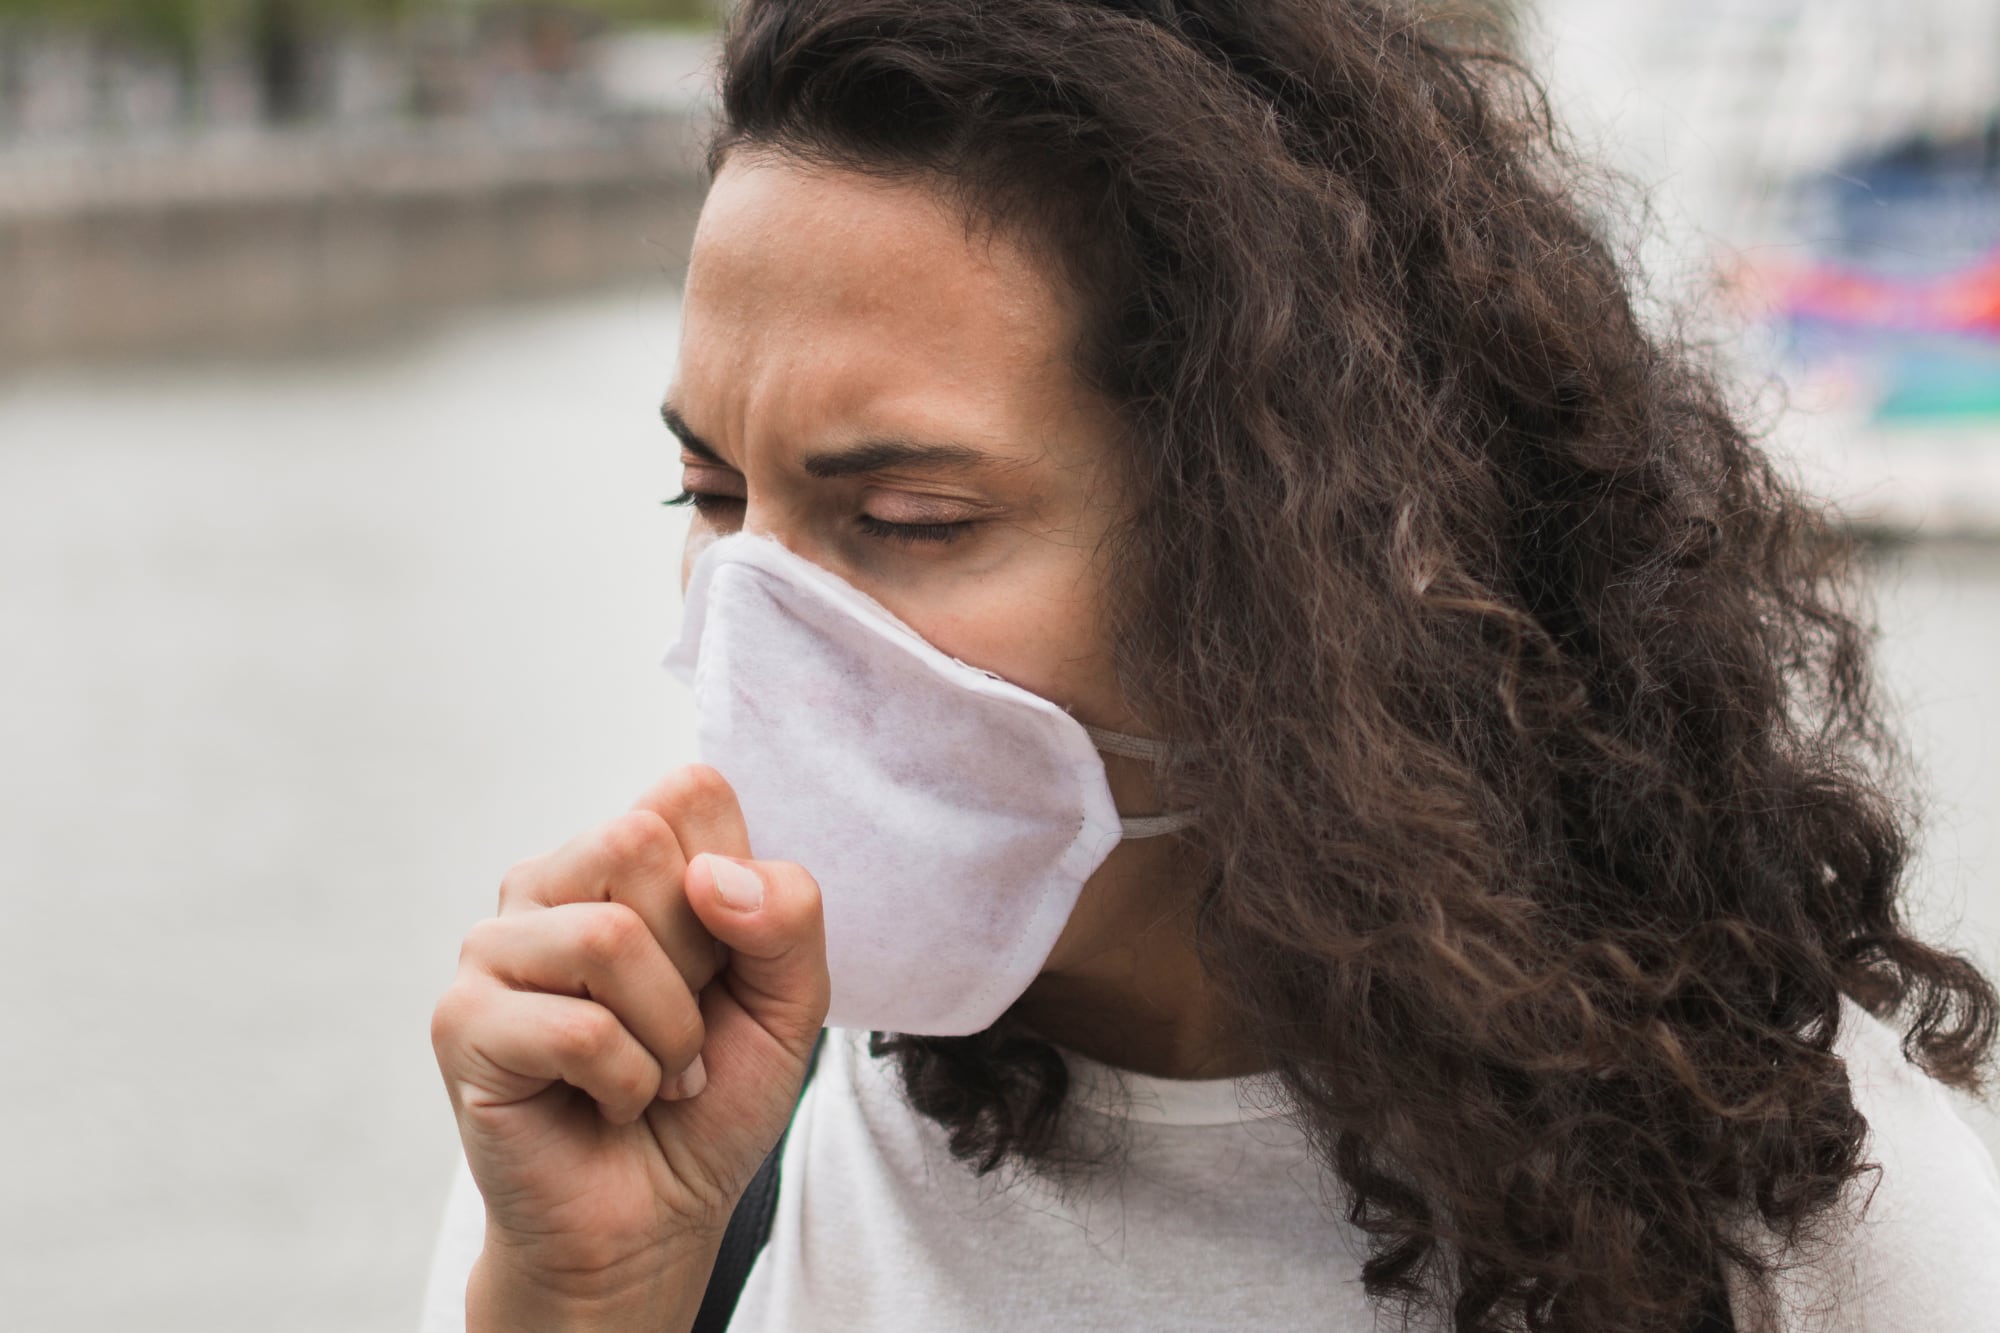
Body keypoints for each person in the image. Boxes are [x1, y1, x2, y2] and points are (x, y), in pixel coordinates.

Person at [422, 2, 2000, 1330]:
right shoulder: (663, 1143)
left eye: (906, 517)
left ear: (1289, 551)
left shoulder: (1815, 1219)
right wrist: (575, 1297)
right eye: (711, 498)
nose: (753, 627)